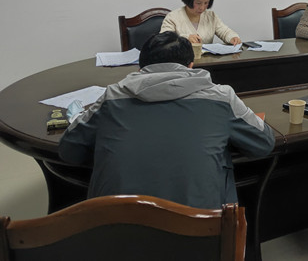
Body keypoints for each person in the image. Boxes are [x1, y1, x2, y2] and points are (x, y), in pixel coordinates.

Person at [59, 31, 275, 209]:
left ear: (140, 68)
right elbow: (264, 143)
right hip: (200, 234)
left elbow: (69, 150)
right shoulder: (221, 97)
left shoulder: (111, 97)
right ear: (191, 66)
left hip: (115, 234)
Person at [160, 0, 241, 45]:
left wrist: (233, 37)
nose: (202, 8)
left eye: (206, 3)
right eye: (198, 3)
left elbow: (225, 32)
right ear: (189, 0)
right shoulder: (173, 17)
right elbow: (164, 40)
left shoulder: (211, 16)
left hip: (207, 59)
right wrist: (185, 38)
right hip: (181, 59)